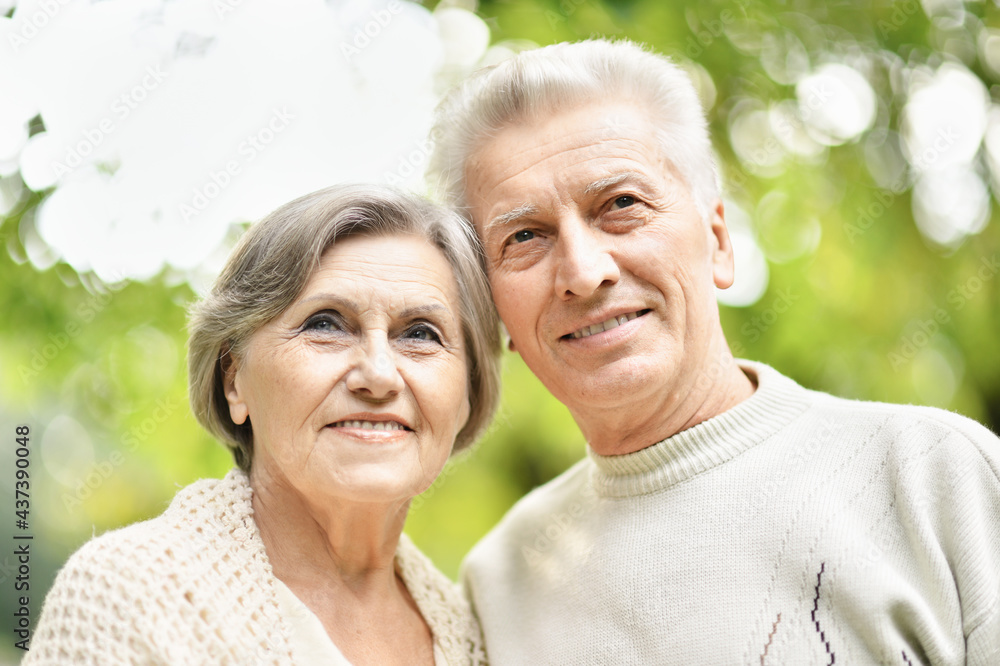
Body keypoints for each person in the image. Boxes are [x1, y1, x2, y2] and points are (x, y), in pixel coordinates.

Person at [428, 39, 1000, 664]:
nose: (584, 272)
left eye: (621, 205)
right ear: (494, 309)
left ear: (719, 242)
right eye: (525, 236)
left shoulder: (937, 477)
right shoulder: (501, 584)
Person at [24, 184, 500, 665]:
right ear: (234, 381)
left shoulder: (480, 636)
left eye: (421, 333)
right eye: (326, 324)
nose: (378, 375)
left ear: (466, 395)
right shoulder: (126, 596)